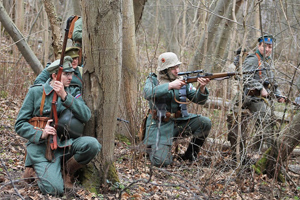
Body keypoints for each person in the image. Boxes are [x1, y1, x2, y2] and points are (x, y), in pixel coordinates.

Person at [15, 56, 101, 196]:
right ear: (55, 75)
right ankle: (34, 169)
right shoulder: (36, 92)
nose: (70, 77)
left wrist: (64, 96)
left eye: (71, 73)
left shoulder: (72, 92)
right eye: (66, 74)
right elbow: (19, 124)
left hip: (66, 145)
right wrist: (40, 133)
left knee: (92, 145)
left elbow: (86, 115)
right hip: (43, 148)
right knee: (54, 190)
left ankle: (66, 171)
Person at [143, 52, 212, 167]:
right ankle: (153, 147)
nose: (177, 70)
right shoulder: (153, 80)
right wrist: (170, 86)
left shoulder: (181, 80)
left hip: (179, 122)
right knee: (162, 162)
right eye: (173, 68)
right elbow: (147, 93)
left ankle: (190, 155)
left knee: (204, 123)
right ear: (164, 70)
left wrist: (202, 88)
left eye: (177, 67)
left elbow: (199, 100)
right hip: (160, 124)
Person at [227, 35, 285, 158]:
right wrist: (260, 88)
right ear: (259, 46)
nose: (268, 49)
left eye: (270, 47)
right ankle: (268, 156)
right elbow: (244, 77)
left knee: (269, 123)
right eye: (265, 46)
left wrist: (279, 94)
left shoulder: (268, 61)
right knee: (267, 121)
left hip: (262, 99)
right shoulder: (253, 59)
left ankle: (261, 154)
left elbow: (272, 83)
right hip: (250, 97)